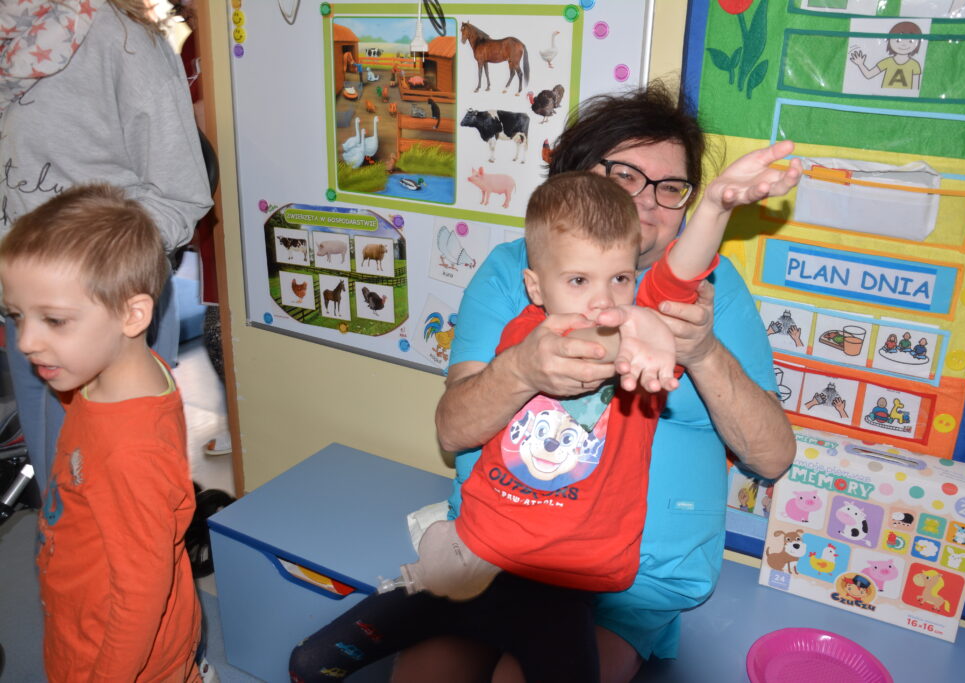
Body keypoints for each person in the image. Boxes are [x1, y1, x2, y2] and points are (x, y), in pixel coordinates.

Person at [290, 82, 797, 683]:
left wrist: (703, 342)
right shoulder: (516, 281)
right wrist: (521, 370)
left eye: (670, 187)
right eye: (625, 175)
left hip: (625, 576)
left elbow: (772, 456)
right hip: (492, 550)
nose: (647, 202)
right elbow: (453, 430)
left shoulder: (675, 298)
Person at [0, 0, 212, 494]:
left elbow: (181, 194)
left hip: (103, 305)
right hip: (25, 304)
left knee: (117, 488)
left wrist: (89, 277)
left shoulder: (123, 41)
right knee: (60, 491)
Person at [0, 184, 201, 681]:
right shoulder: (111, 372)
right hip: (81, 602)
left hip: (117, 656)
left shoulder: (131, 452)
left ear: (132, 315)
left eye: (54, 320)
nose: (25, 341)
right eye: (17, 316)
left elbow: (140, 596)